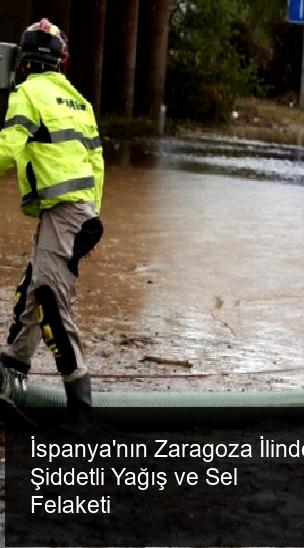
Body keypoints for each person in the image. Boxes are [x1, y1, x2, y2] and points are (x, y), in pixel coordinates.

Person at [0, 19, 104, 432]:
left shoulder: (27, 95)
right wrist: (92, 215)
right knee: (32, 291)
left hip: (62, 214)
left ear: (24, 62)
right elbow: (96, 163)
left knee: (49, 298)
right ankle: (10, 375)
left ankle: (81, 407)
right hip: (77, 212)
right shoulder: (79, 101)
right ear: (61, 60)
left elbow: (7, 151)